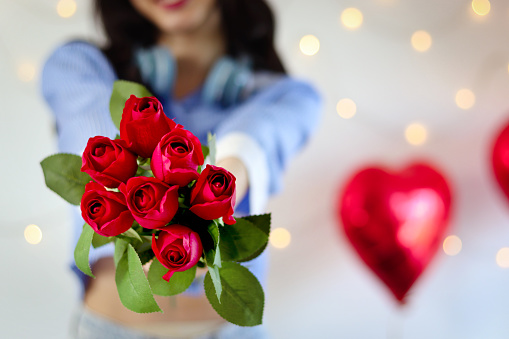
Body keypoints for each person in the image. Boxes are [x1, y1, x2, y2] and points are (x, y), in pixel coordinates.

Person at [41, 0, 321, 338]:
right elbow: (94, 137)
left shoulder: (290, 97)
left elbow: (252, 141)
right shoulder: (77, 66)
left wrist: (220, 187)